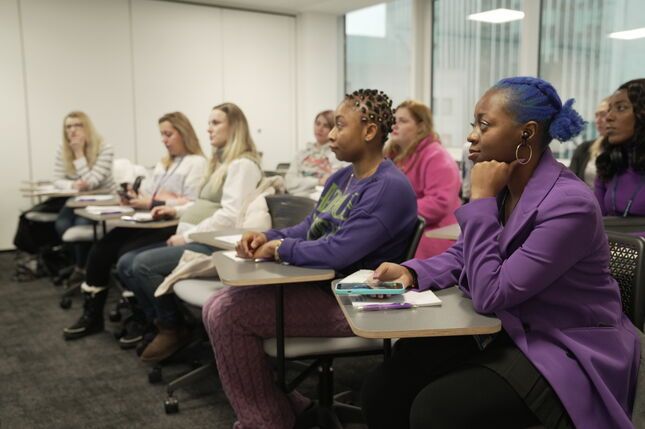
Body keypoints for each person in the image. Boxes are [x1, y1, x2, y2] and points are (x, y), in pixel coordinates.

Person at [361, 77, 640, 429]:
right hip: (508, 325)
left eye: (485, 124)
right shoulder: (506, 188)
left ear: (527, 134)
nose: (471, 136)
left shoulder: (570, 204)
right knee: (384, 389)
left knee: (437, 411)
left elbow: (491, 293)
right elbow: (465, 254)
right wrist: (414, 273)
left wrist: (479, 202)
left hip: (562, 343)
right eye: (473, 124)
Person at [201, 89, 418, 429]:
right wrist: (269, 236)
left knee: (227, 314)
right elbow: (309, 227)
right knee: (217, 304)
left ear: (370, 131)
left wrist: (280, 249)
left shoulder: (388, 188)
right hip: (321, 290)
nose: (330, 135)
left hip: (354, 303)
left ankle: (266, 421)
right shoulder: (341, 177)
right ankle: (290, 409)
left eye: (339, 126)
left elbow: (340, 250)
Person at [117, 102, 263, 357]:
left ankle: (173, 329)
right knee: (125, 263)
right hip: (197, 236)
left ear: (235, 127)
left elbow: (229, 217)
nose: (208, 129)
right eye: (208, 123)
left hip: (214, 244)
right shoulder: (221, 163)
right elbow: (202, 204)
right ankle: (163, 322)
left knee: (142, 265)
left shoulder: (243, 165)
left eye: (215, 123)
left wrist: (185, 235)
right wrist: (174, 211)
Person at [63, 111, 207, 340]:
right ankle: (92, 316)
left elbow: (192, 203)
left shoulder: (196, 163)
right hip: (148, 219)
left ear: (184, 133)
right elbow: (151, 193)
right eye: (162, 135)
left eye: (168, 134)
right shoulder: (165, 163)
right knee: (101, 250)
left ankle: (145, 318)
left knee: (125, 255)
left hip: (171, 224)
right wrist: (134, 196)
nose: (164, 140)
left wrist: (157, 200)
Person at [385, 100, 461, 258]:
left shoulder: (437, 156)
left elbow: (439, 203)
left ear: (421, 126)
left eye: (403, 121)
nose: (395, 125)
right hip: (403, 229)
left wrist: (393, 212)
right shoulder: (392, 156)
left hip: (433, 235)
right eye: (394, 120)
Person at [54, 112, 116, 285]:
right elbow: (57, 179)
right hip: (77, 199)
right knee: (62, 224)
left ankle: (84, 268)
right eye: (68, 127)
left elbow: (91, 182)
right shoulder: (63, 148)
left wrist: (79, 154)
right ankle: (80, 264)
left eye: (78, 125)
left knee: (81, 225)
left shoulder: (105, 148)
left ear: (87, 127)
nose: (72, 130)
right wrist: (72, 186)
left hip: (102, 199)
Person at [595, 79, 645, 217]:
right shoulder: (609, 163)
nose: (608, 117)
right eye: (610, 109)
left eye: (621, 108)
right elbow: (596, 222)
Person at [284, 110, 347, 196]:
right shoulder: (302, 154)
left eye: (326, 126)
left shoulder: (337, 155)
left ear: (333, 129)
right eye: (318, 124)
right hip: (295, 200)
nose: (320, 129)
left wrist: (302, 184)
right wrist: (318, 182)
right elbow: (289, 183)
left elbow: (333, 185)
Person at [569, 97, 609, 186]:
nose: (598, 120)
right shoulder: (584, 148)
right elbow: (570, 181)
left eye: (603, 114)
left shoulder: (624, 151)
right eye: (596, 115)